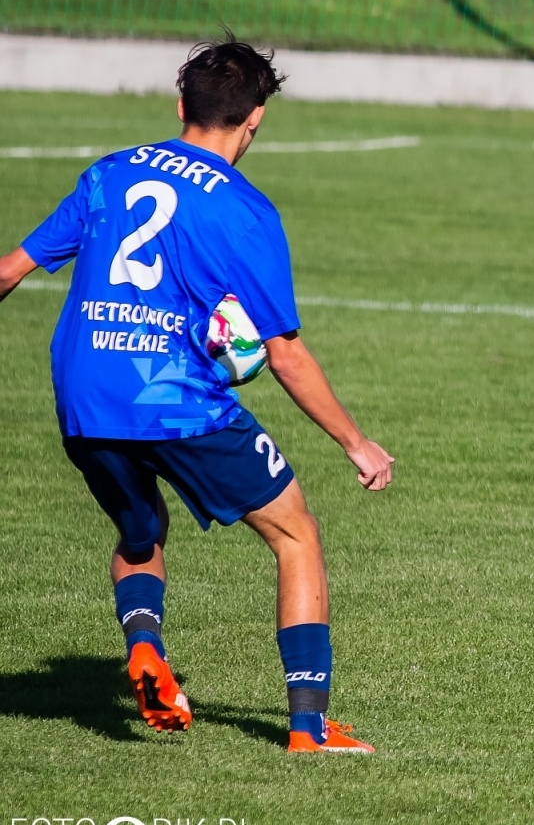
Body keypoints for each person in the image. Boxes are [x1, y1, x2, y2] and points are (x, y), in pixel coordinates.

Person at [0, 37, 393, 753]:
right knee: (295, 532)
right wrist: (356, 442)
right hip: (176, 399)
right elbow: (285, 354)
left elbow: (6, 272)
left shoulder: (110, 173)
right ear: (255, 121)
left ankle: (145, 649)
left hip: (84, 394)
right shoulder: (246, 211)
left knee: (141, 529)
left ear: (181, 106)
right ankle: (308, 726)